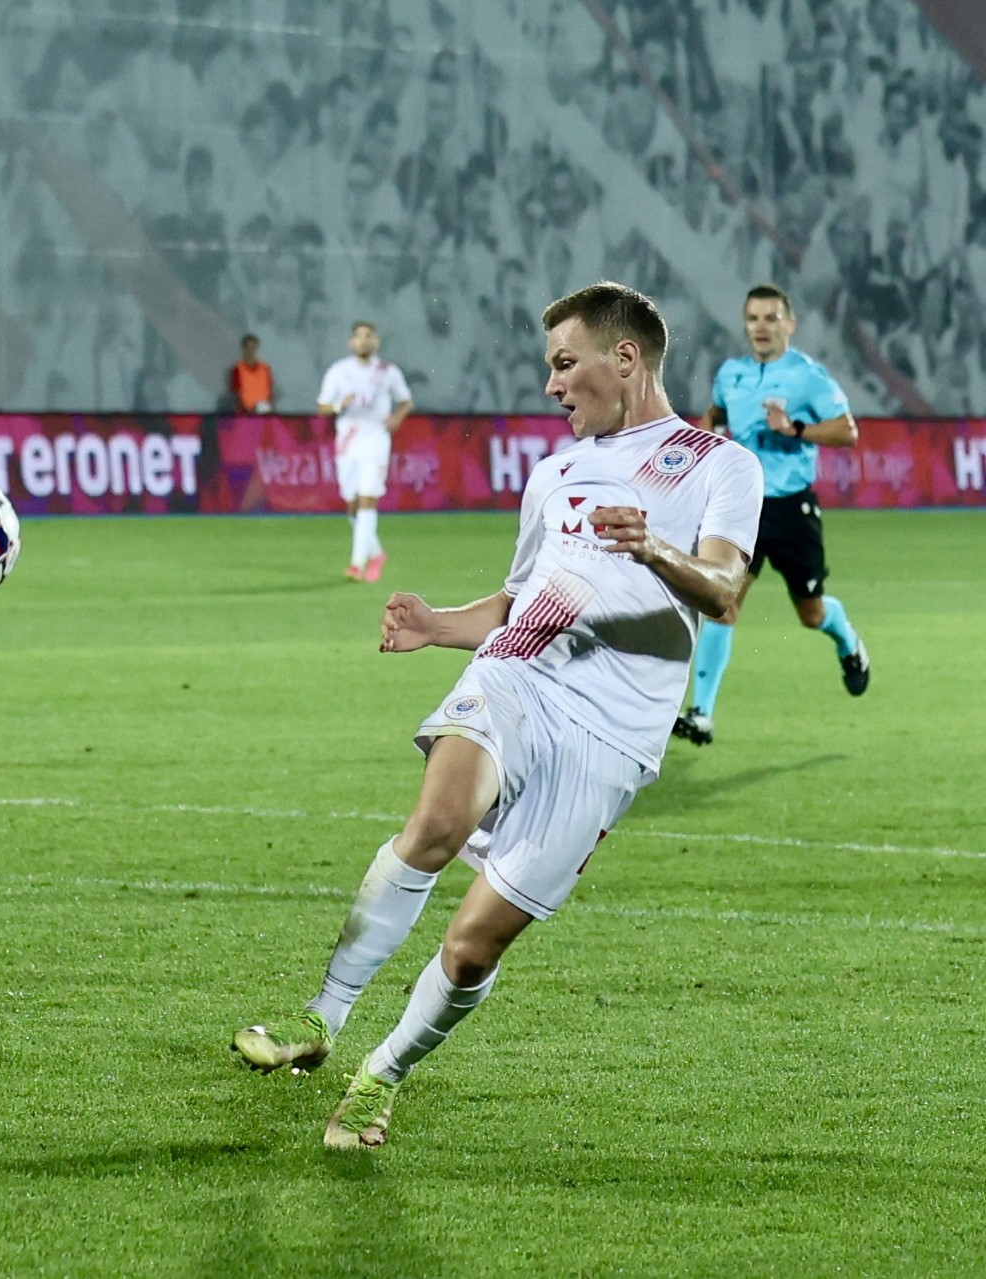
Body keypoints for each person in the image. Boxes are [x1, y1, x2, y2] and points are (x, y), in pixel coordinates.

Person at [232, 283, 762, 1150]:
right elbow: (520, 598)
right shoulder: (553, 474)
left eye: (565, 364)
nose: (552, 386)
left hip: (616, 734)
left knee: (475, 944)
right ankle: (319, 1016)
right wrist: (440, 624)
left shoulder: (719, 464)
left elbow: (728, 591)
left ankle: (382, 1074)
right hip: (523, 675)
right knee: (437, 820)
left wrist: (652, 548)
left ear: (623, 357)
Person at [673, 284, 869, 746]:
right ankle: (701, 711)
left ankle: (848, 642)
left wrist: (795, 428)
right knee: (721, 601)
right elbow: (716, 416)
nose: (761, 327)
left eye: (770, 318)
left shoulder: (807, 376)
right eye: (753, 319)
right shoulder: (732, 373)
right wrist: (704, 440)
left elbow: (848, 432)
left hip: (791, 508)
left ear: (789, 324)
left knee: (811, 612)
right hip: (742, 505)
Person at [317, 322, 412, 581]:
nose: (363, 341)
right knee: (352, 504)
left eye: (368, 336)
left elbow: (406, 400)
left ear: (376, 342)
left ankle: (357, 564)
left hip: (376, 439)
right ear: (351, 343)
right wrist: (339, 405)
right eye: (358, 337)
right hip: (348, 440)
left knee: (368, 498)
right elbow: (322, 406)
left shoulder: (387, 372)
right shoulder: (339, 371)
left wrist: (397, 418)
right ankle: (377, 553)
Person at [228, 333, 275, 412]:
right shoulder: (237, 369)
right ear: (243, 348)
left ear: (257, 348)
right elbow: (236, 393)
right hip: (244, 413)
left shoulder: (265, 368)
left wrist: (266, 406)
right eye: (248, 347)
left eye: (253, 347)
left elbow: (270, 390)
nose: (250, 350)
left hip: (264, 412)